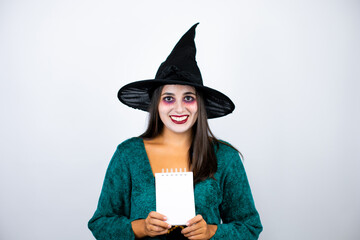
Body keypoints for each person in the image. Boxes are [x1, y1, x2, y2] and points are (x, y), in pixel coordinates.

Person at [88, 23, 262, 240]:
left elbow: (250, 227)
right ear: (156, 104)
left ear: (199, 104)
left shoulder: (225, 157)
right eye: (168, 98)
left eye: (188, 98)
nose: (179, 108)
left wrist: (212, 231)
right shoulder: (128, 154)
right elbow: (101, 223)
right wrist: (141, 227)